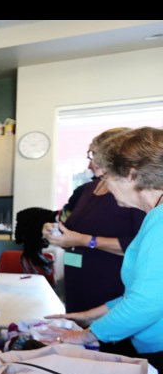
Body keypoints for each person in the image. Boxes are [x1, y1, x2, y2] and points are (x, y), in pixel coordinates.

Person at [46, 126, 163, 374]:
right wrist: (88, 315)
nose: (103, 183)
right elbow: (140, 292)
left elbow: (148, 301)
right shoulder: (154, 214)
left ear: (131, 174)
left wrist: (89, 336)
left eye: (108, 174)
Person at [43, 128, 145, 318]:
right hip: (77, 283)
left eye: (94, 154)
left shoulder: (135, 194)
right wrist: (53, 229)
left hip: (112, 285)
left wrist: (84, 240)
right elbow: (67, 223)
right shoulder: (86, 189)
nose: (90, 164)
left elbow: (140, 246)